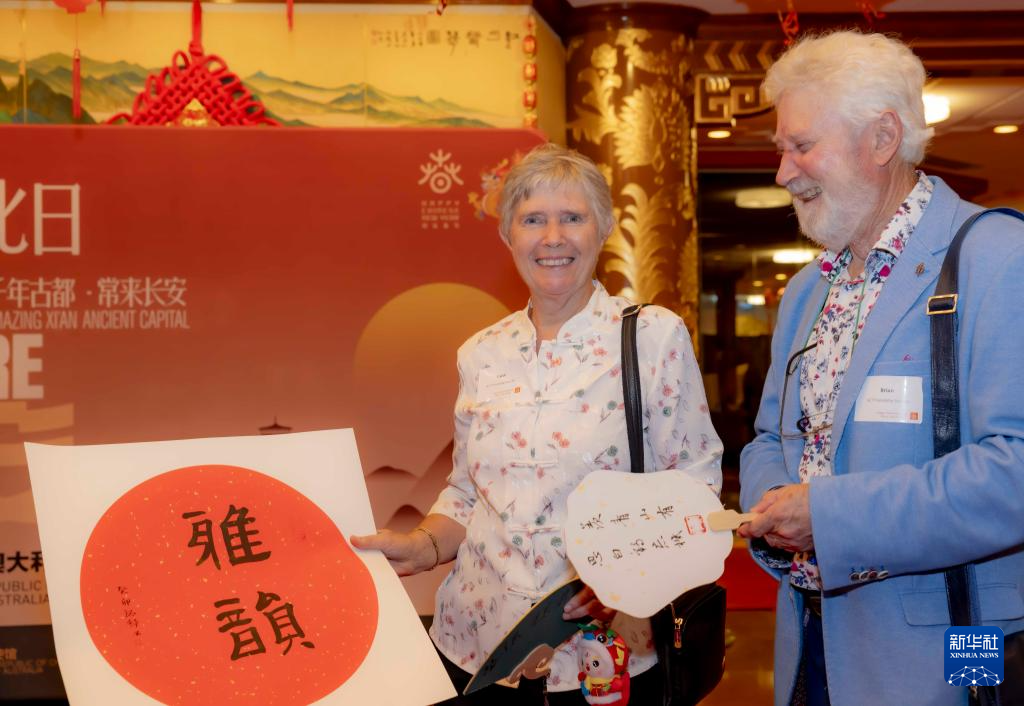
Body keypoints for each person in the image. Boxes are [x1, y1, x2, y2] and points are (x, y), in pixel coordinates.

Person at [353, 143, 723, 704]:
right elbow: (468, 492)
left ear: (603, 229)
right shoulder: (482, 353)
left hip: (602, 654)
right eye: (532, 220)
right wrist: (422, 546)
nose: (553, 237)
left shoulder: (652, 336)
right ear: (509, 236)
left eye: (572, 217)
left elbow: (697, 486)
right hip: (476, 643)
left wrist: (629, 575)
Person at [737, 30, 1024, 706]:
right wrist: (777, 506)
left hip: (955, 644)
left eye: (801, 146)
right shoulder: (808, 289)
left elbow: (1014, 470)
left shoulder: (998, 259)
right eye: (781, 149)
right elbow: (769, 438)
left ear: (883, 138)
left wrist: (829, 517)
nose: (783, 173)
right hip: (810, 640)